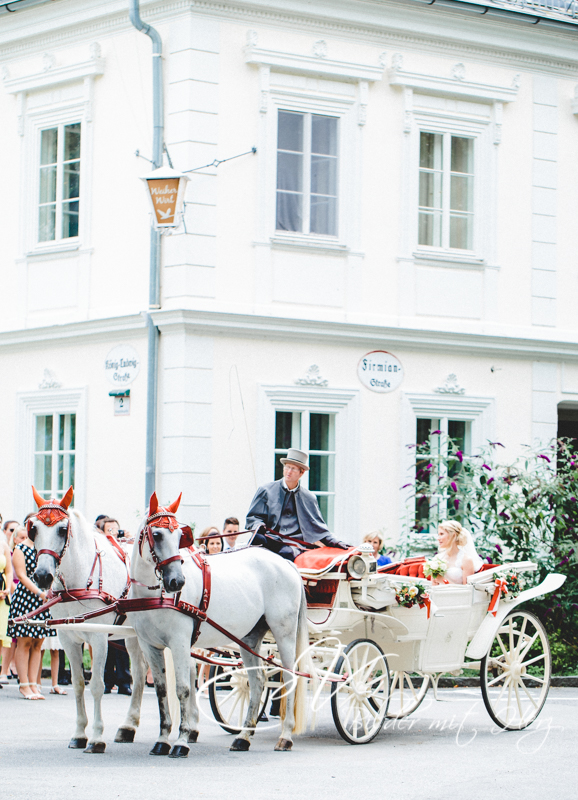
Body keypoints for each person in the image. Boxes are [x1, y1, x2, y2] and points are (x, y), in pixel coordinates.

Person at [246, 448, 349, 561]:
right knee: (257, 540)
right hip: (270, 539)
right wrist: (258, 525)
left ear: (302, 472)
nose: (289, 471)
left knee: (286, 553)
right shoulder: (266, 490)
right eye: (287, 467)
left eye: (293, 469)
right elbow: (253, 517)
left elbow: (320, 530)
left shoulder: (309, 497)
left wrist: (336, 542)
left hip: (294, 545)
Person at [7, 526, 56, 699]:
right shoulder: (20, 548)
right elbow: (22, 576)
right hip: (26, 598)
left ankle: (33, 684)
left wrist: (49, 592)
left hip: (44, 598)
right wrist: (41, 593)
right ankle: (24, 684)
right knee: (25, 642)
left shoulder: (44, 549)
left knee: (37, 644)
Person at [434, 520, 482, 585]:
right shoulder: (437, 558)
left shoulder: (466, 560)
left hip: (458, 592)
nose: (438, 538)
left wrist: (444, 581)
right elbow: (433, 586)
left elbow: (467, 589)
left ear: (453, 535)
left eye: (441, 534)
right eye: (438, 534)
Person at [0, 536, 14, 685]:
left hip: (2, 597)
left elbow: (9, 571)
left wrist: (7, 588)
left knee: (0, 636)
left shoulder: (3, 545)